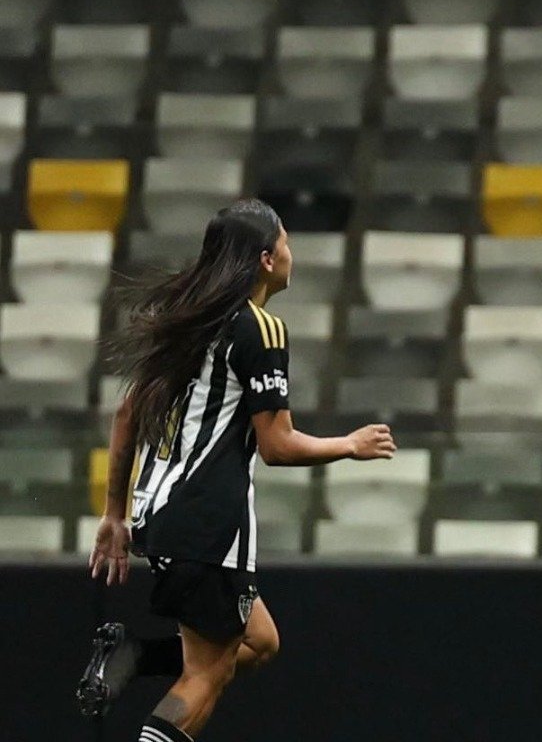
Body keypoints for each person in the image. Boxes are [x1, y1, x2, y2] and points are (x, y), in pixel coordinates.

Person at [77, 199, 397, 742]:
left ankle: (131, 653)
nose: (293, 254)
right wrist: (349, 444)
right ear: (268, 259)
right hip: (210, 523)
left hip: (160, 517)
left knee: (260, 642)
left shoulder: (188, 318)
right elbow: (277, 446)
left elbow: (128, 411)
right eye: (288, 243)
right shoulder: (260, 329)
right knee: (209, 671)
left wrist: (114, 513)